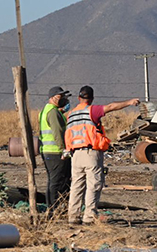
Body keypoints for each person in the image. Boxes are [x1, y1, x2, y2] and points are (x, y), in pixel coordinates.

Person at [65, 86, 140, 225]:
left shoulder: (71, 114)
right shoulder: (92, 110)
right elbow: (111, 107)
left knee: (76, 186)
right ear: (92, 99)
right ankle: (89, 217)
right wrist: (129, 102)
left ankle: (73, 217)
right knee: (93, 185)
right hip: (90, 153)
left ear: (78, 98)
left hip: (75, 155)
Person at [39, 86, 72, 209]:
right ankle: (54, 209)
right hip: (55, 152)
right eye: (60, 97)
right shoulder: (52, 112)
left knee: (54, 181)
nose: (63, 99)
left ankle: (53, 207)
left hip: (49, 152)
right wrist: (64, 149)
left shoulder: (48, 110)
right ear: (52, 98)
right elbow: (57, 132)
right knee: (57, 182)